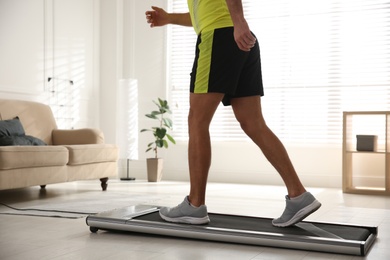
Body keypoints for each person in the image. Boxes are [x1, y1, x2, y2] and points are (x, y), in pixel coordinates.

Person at [145, 0, 321, 227]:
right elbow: (206, 14)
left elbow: (215, 20)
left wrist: (239, 21)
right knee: (253, 123)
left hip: (220, 39)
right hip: (241, 41)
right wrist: (169, 18)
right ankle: (299, 195)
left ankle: (195, 205)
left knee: (197, 120)